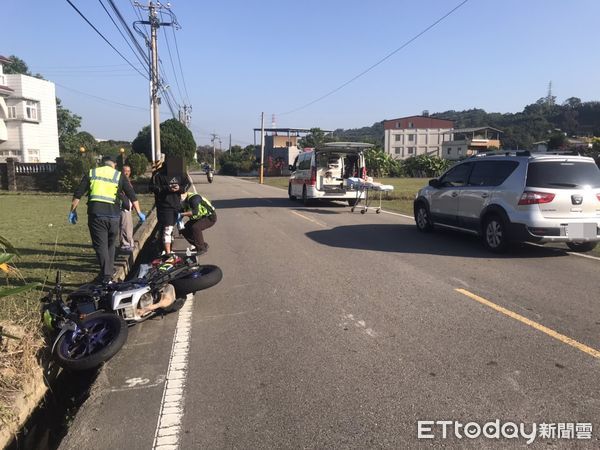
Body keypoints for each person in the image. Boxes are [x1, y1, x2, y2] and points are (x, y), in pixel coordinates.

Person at [69, 155, 146, 283]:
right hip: (114, 217)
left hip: (96, 216)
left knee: (100, 246)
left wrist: (73, 211)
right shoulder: (118, 175)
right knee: (110, 245)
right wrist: (139, 213)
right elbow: (132, 196)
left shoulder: (92, 173)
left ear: (102, 163)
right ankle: (109, 271)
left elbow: (78, 193)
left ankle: (106, 276)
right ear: (114, 164)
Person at [150, 161, 190, 255]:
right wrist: (167, 188)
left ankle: (166, 247)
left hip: (176, 204)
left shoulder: (179, 173)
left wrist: (179, 188)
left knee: (172, 228)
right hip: (164, 206)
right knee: (167, 229)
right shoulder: (158, 174)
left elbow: (187, 184)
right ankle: (167, 252)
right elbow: (152, 187)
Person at [179, 190, 217, 256]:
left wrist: (180, 214)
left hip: (210, 217)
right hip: (199, 218)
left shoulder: (194, 198)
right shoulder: (183, 201)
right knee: (184, 229)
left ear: (184, 194)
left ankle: (201, 248)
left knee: (196, 227)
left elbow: (195, 212)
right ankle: (202, 245)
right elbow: (180, 211)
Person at [119, 164, 135, 252]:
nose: (127, 173)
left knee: (129, 226)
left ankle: (130, 243)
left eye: (128, 171)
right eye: (125, 171)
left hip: (129, 206)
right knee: (124, 225)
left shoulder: (128, 180)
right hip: (124, 206)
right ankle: (126, 244)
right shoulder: (121, 180)